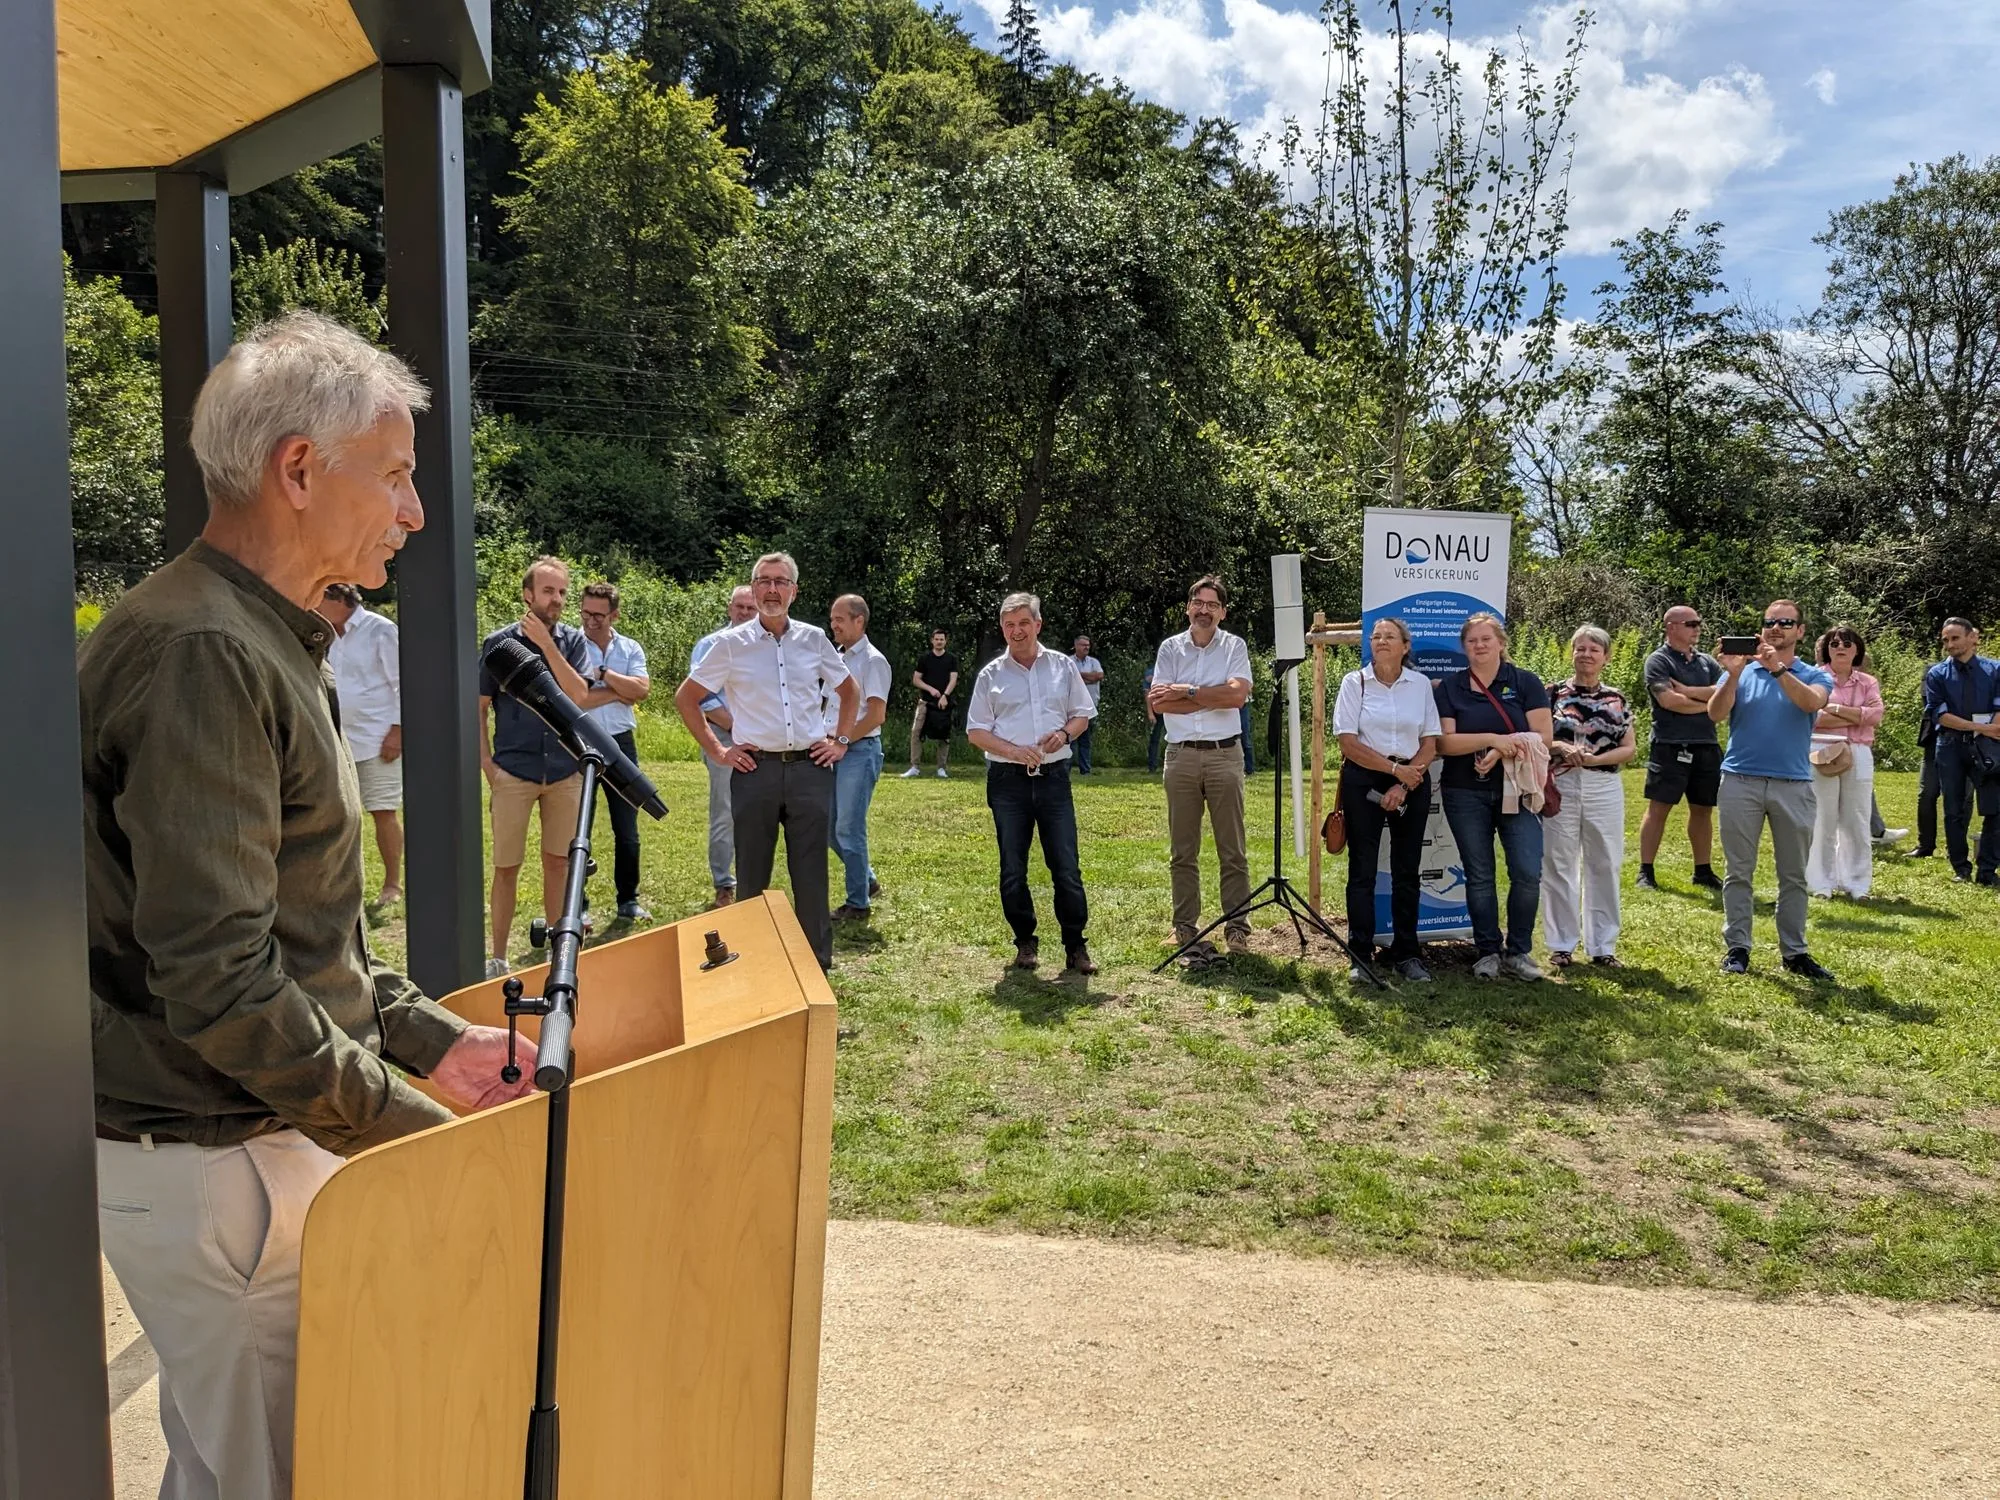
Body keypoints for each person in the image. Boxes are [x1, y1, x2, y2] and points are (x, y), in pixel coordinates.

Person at [80, 312, 533, 1500]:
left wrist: (438, 1041)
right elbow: (220, 979)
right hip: (211, 1152)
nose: (414, 511)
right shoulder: (205, 653)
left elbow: (301, 934)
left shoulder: (256, 633)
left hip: (254, 1136)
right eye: (394, 475)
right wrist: (408, 1132)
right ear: (296, 469)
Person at [675, 553, 859, 969]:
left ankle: (816, 966)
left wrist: (842, 741)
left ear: (794, 591)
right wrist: (719, 750)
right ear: (753, 589)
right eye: (764, 581)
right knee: (753, 875)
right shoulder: (728, 645)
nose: (772, 590)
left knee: (811, 874)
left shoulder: (814, 639)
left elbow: (850, 691)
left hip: (810, 770)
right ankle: (748, 966)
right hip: (754, 770)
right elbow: (687, 699)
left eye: (781, 582)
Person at [479, 556, 615, 977]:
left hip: (564, 769)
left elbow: (578, 694)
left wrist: (548, 644)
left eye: (561, 592)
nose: (555, 599)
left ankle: (559, 951)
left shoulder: (573, 642)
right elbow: (478, 709)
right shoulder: (499, 644)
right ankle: (498, 955)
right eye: (547, 591)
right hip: (513, 770)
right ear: (527, 594)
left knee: (560, 862)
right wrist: (488, 767)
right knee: (506, 866)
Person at [966, 593, 1098, 973]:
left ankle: (1076, 945)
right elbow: (976, 732)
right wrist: (1012, 750)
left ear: (1037, 625)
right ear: (1003, 629)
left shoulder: (1061, 666)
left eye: (1024, 623)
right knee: (1012, 867)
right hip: (1008, 782)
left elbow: (1082, 715)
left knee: (1066, 866)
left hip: (1055, 778)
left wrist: (1064, 735)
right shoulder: (991, 674)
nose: (1017, 631)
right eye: (1009, 625)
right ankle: (1025, 942)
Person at [1710, 601, 1837, 979]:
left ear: (1800, 631)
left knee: (1793, 874)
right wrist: (1732, 675)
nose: (1775, 628)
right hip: (1739, 781)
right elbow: (1716, 714)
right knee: (1738, 871)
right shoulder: (1742, 670)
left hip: (1792, 785)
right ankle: (1737, 948)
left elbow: (1810, 702)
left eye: (1785, 622)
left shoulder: (1813, 674)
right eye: (1769, 622)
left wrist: (1777, 669)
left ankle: (1794, 952)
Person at [1434, 613, 1554, 981]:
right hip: (1465, 792)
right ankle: (1487, 951)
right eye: (1472, 641)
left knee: (1526, 872)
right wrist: (1492, 739)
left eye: (1486, 639)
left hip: (1518, 791)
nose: (1480, 646)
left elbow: (1544, 737)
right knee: (1480, 875)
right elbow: (1445, 743)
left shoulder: (1525, 682)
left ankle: (1519, 952)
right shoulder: (1451, 688)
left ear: (1501, 643)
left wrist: (1503, 751)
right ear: (1464, 647)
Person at [1150, 576, 1255, 963]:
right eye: (1198, 602)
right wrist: (1213, 697)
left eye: (1212, 604)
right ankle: (1185, 926)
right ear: (1188, 607)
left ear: (1222, 612)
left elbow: (1237, 696)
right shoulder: (1171, 648)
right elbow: (1159, 704)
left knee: (1233, 849)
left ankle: (1237, 929)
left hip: (1224, 755)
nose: (1204, 609)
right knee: (1183, 850)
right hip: (1180, 757)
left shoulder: (1234, 646)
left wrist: (1188, 692)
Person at [1332, 617, 1441, 983]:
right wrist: (1394, 773)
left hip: (1413, 778)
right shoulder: (1354, 682)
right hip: (1365, 779)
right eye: (1376, 636)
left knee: (1407, 871)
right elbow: (1348, 743)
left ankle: (1407, 954)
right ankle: (1360, 954)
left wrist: (1406, 781)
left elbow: (1430, 742)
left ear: (1405, 647)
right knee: (1362, 870)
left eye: (1389, 636)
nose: (1380, 641)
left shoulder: (1420, 685)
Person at [1541, 626, 1637, 967]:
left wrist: (1596, 759)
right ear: (1571, 653)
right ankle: (1561, 943)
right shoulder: (1551, 694)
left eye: (1594, 650)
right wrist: (1560, 746)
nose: (1586, 655)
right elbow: (1536, 737)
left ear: (1606, 657)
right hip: (1562, 783)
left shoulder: (1616, 699)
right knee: (1559, 861)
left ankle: (1603, 946)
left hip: (1603, 785)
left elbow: (1629, 748)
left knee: (1605, 862)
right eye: (1580, 648)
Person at [320, 582, 403, 908]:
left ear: (339, 599)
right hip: (336, 739)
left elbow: (403, 683)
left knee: (383, 811)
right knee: (337, 815)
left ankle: (392, 884)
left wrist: (397, 731)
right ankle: (340, 887)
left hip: (376, 740)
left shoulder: (379, 630)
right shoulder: (324, 633)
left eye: (320, 599)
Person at [580, 581, 654, 922]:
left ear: (614, 615)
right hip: (579, 740)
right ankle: (577, 907)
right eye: (586, 613)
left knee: (627, 827)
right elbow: (576, 697)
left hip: (621, 743)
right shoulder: (570, 645)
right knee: (579, 828)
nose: (591, 621)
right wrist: (618, 690)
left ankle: (628, 900)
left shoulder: (630, 648)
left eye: (599, 615)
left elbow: (642, 690)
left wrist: (604, 676)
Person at [1638, 605, 1725, 892]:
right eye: (1691, 623)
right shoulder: (1658, 661)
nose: (1697, 628)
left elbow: (1725, 696)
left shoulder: (1707, 663)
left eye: (1699, 622)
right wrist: (1708, 705)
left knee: (1703, 810)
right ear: (1671, 626)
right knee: (1659, 809)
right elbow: (1669, 701)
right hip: (1670, 745)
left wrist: (1687, 693)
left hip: (1706, 745)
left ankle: (1703, 871)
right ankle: (1646, 871)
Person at [689, 585, 759, 906]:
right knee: (725, 811)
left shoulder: (766, 646)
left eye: (751, 608)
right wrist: (738, 726)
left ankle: (754, 882)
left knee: (760, 812)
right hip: (725, 737)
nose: (745, 613)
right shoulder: (710, 645)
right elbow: (702, 697)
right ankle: (724, 884)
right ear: (730, 608)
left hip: (762, 739)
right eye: (740, 607)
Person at [1806, 627, 1885, 899]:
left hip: (1859, 750)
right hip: (1823, 749)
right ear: (1826, 648)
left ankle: (1857, 884)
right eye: (1834, 643)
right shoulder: (1815, 677)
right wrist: (1856, 716)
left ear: (1857, 649)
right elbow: (1813, 717)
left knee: (1857, 818)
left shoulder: (1868, 681)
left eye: (1847, 643)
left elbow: (1876, 715)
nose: (1840, 647)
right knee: (1822, 818)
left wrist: (1836, 710)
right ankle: (1820, 883)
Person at [829, 594, 894, 921]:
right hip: (834, 750)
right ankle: (866, 880)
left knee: (848, 828)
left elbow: (876, 715)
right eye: (832, 618)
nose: (834, 624)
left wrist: (841, 740)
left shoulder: (872, 661)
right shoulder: (836, 657)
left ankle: (857, 903)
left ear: (859, 621)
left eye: (840, 618)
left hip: (858, 751)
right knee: (830, 828)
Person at [1925, 617, 2000, 886]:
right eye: (1945, 640)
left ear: (1973, 638)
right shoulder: (1936, 674)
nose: (1949, 644)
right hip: (1951, 746)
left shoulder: (1995, 670)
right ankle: (1960, 867)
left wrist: (1991, 731)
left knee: (1995, 807)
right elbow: (1939, 715)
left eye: (1955, 638)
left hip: (1989, 746)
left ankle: (1987, 871)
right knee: (1954, 808)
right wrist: (1975, 727)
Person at [903, 627, 959, 778]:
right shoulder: (925, 658)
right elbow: (916, 679)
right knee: (916, 732)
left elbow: (953, 679)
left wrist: (945, 695)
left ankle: (941, 768)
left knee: (944, 736)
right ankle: (914, 767)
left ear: (945, 641)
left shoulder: (951, 659)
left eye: (942, 639)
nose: (939, 642)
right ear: (932, 640)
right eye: (937, 639)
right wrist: (930, 689)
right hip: (925, 702)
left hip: (944, 703)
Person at [1904, 675, 1945, 859]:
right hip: (1934, 740)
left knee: (1962, 799)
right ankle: (1925, 845)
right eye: (1945, 643)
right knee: (1927, 793)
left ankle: (1955, 849)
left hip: (1966, 740)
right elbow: (1930, 703)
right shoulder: (1933, 672)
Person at [1071, 634, 1105, 773]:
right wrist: (1090, 677)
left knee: (1086, 740)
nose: (1086, 647)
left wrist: (1079, 675)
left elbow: (1099, 676)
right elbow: (1069, 679)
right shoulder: (1068, 661)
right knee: (1070, 739)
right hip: (1072, 706)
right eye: (1083, 645)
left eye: (1088, 645)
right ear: (1076, 646)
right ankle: (1066, 767)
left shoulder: (1094, 661)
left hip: (1091, 706)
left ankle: (1085, 770)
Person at [1142, 662, 1166, 773]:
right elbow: (1148, 693)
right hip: (1157, 710)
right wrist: (1150, 713)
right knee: (1154, 740)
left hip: (1173, 710)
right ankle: (1152, 767)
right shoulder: (1151, 672)